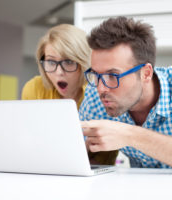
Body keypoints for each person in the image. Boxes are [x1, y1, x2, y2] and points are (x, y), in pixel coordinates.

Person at [79, 17, 172, 199]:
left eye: (113, 75)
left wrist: (130, 135)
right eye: (96, 75)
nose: (101, 87)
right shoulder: (97, 94)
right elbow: (74, 152)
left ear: (145, 73)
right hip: (143, 193)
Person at [21, 24, 118, 165]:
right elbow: (30, 141)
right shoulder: (34, 89)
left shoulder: (99, 93)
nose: (59, 72)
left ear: (84, 63)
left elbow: (104, 155)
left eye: (68, 62)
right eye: (50, 61)